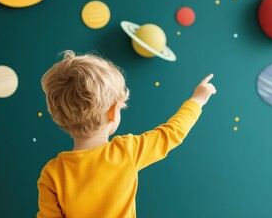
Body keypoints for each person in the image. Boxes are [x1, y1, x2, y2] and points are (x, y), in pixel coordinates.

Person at [37, 50, 216, 217]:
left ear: (59, 117)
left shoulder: (52, 174)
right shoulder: (127, 151)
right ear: (113, 112)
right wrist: (196, 101)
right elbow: (171, 133)